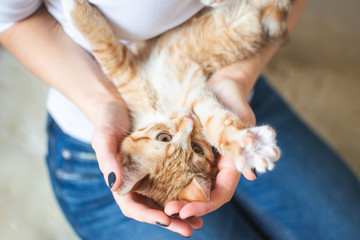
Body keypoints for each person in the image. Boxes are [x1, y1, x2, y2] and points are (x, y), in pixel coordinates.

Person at [1, 0, 359, 239]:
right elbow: (10, 16)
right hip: (89, 146)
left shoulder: (181, 126)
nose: (186, 124)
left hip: (232, 93)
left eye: (166, 139)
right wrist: (103, 103)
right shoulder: (173, 131)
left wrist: (235, 80)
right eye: (193, 143)